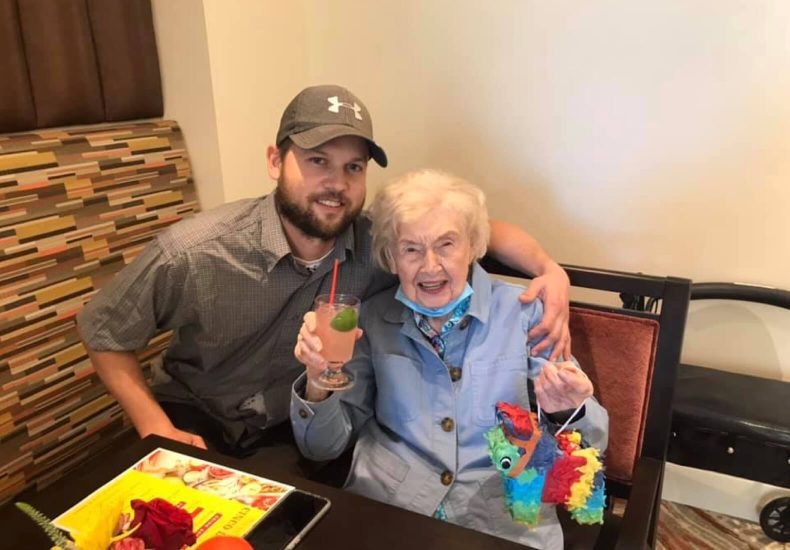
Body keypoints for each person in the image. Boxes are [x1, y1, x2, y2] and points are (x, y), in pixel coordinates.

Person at [77, 85, 571, 458]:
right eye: (318, 161)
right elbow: (103, 330)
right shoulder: (195, 252)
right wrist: (152, 423)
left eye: (353, 167)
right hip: (193, 418)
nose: (336, 184)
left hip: (295, 429)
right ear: (275, 160)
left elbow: (468, 228)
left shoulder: (381, 245)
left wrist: (551, 270)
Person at [291, 169, 607, 549]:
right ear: (390, 257)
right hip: (388, 512)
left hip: (499, 522)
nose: (429, 266)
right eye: (411, 249)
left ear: (473, 246)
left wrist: (564, 412)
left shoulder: (525, 314)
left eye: (446, 245)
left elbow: (589, 449)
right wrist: (317, 379)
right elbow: (321, 447)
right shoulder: (371, 321)